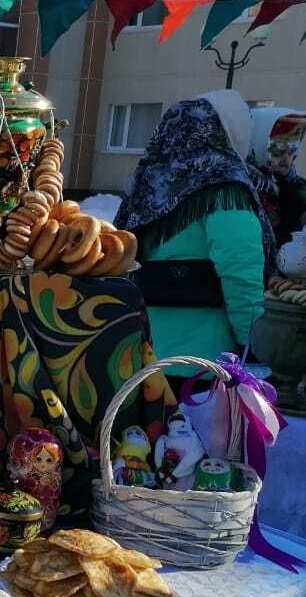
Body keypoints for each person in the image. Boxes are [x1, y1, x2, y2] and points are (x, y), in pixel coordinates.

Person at [116, 89, 273, 380]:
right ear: (230, 130)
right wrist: (256, 347)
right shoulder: (224, 189)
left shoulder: (149, 180)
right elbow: (241, 274)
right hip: (201, 365)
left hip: (136, 355)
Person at [248, 106, 306, 245]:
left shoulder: (300, 185)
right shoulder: (249, 189)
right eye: (277, 154)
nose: (286, 161)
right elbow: (262, 242)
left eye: (291, 152)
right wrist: (301, 224)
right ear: (258, 147)